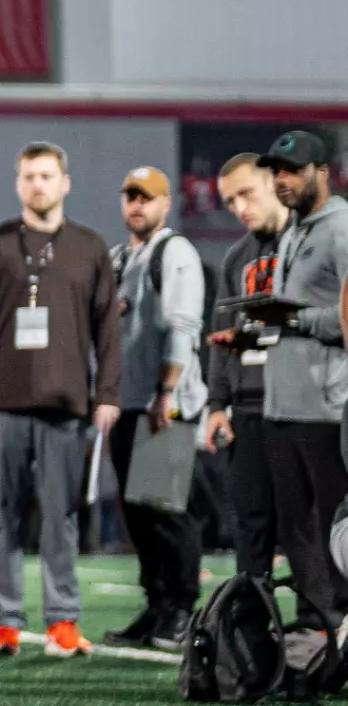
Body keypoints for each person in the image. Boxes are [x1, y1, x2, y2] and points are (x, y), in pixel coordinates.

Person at [0, 142, 121, 659]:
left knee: (60, 518)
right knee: (1, 518)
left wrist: (107, 393)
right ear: (18, 183)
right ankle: (6, 622)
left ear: (65, 183)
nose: (38, 185)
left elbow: (108, 330)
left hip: (65, 404)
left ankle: (62, 622)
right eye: (29, 176)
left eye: (47, 176)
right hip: (4, 405)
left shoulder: (90, 247)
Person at [101, 166, 206, 649]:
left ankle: (182, 609)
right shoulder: (120, 257)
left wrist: (168, 392)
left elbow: (183, 326)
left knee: (166, 510)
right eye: (130, 197)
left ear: (165, 203)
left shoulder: (173, 251)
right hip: (128, 402)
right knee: (139, 514)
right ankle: (158, 605)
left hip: (162, 403)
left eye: (147, 197)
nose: (137, 205)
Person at [255, 130, 348, 629]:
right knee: (297, 533)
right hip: (281, 404)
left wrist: (299, 320)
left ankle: (342, 628)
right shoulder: (291, 232)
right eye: (277, 171)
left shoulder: (342, 228)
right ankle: (315, 631)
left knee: (336, 527)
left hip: (328, 407)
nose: (283, 180)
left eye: (293, 170)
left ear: (322, 173)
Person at [203, 153, 286, 580]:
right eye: (230, 200)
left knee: (308, 527)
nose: (238, 208)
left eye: (246, 194)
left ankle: (316, 630)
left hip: (300, 406)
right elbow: (221, 337)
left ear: (273, 183)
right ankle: (251, 631)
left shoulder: (310, 243)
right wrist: (217, 404)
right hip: (249, 407)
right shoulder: (236, 257)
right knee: (251, 527)